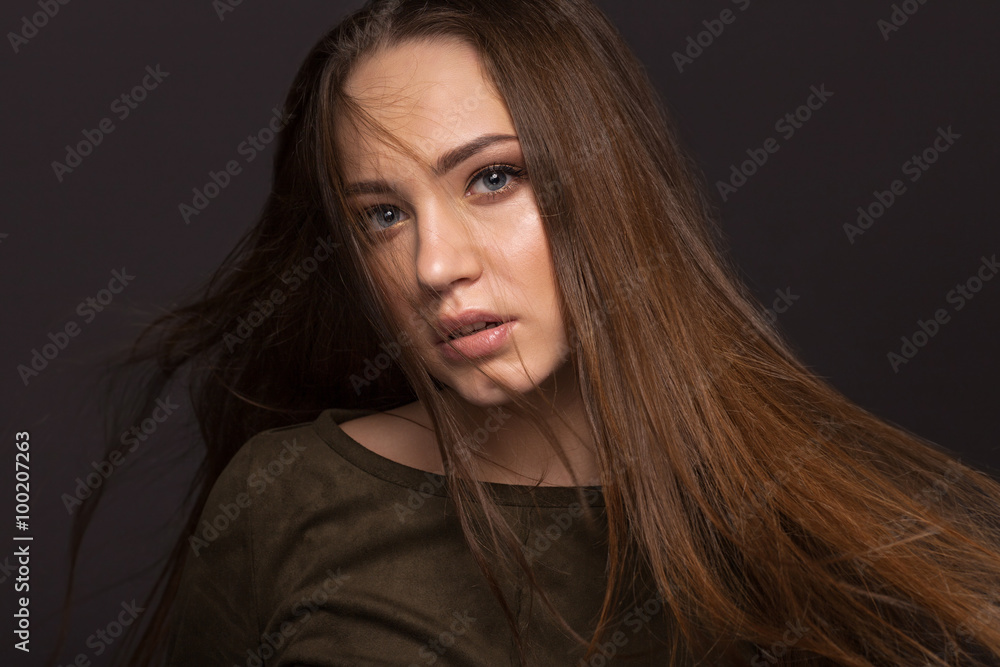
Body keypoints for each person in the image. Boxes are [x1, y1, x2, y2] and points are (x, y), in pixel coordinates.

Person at [68, 0, 1000, 665]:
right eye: (383, 215)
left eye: (492, 178)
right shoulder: (289, 499)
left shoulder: (811, 528)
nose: (435, 264)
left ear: (609, 186)